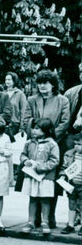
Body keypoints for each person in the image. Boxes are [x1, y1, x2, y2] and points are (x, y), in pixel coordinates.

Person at [22, 69, 70, 228]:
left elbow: (65, 122)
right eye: (40, 83)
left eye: (46, 83)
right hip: (35, 143)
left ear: (53, 84)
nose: (42, 86)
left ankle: (49, 218)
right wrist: (35, 135)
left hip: (55, 142)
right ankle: (33, 219)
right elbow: (27, 119)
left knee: (50, 183)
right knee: (33, 180)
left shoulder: (62, 100)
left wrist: (51, 138)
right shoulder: (31, 100)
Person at [19, 118, 60, 235]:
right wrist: (25, 160)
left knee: (45, 199)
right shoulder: (29, 143)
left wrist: (41, 167)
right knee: (32, 198)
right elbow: (23, 155)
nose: (33, 131)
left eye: (37, 128)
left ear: (46, 130)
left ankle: (45, 222)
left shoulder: (52, 144)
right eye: (33, 128)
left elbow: (55, 160)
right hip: (32, 176)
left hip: (45, 177)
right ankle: (30, 221)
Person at [59, 133, 82, 234]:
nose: (77, 146)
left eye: (80, 144)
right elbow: (64, 167)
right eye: (75, 144)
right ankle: (70, 224)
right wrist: (62, 176)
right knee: (71, 204)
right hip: (72, 184)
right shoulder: (69, 154)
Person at [4, 71, 28, 138]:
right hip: (3, 123)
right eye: (6, 79)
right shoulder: (3, 93)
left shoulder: (20, 94)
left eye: (9, 79)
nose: (7, 81)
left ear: (14, 80)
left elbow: (23, 111)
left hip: (14, 124)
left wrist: (22, 127)